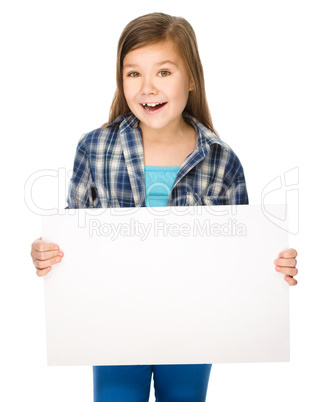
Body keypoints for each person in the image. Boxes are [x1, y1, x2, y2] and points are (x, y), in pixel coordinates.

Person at [30, 12, 298, 402]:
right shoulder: (95, 148)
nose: (147, 87)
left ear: (191, 78)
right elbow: (72, 240)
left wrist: (274, 267)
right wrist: (45, 253)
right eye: (133, 73)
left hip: (192, 329)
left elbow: (240, 254)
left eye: (164, 72)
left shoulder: (221, 160)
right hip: (113, 326)